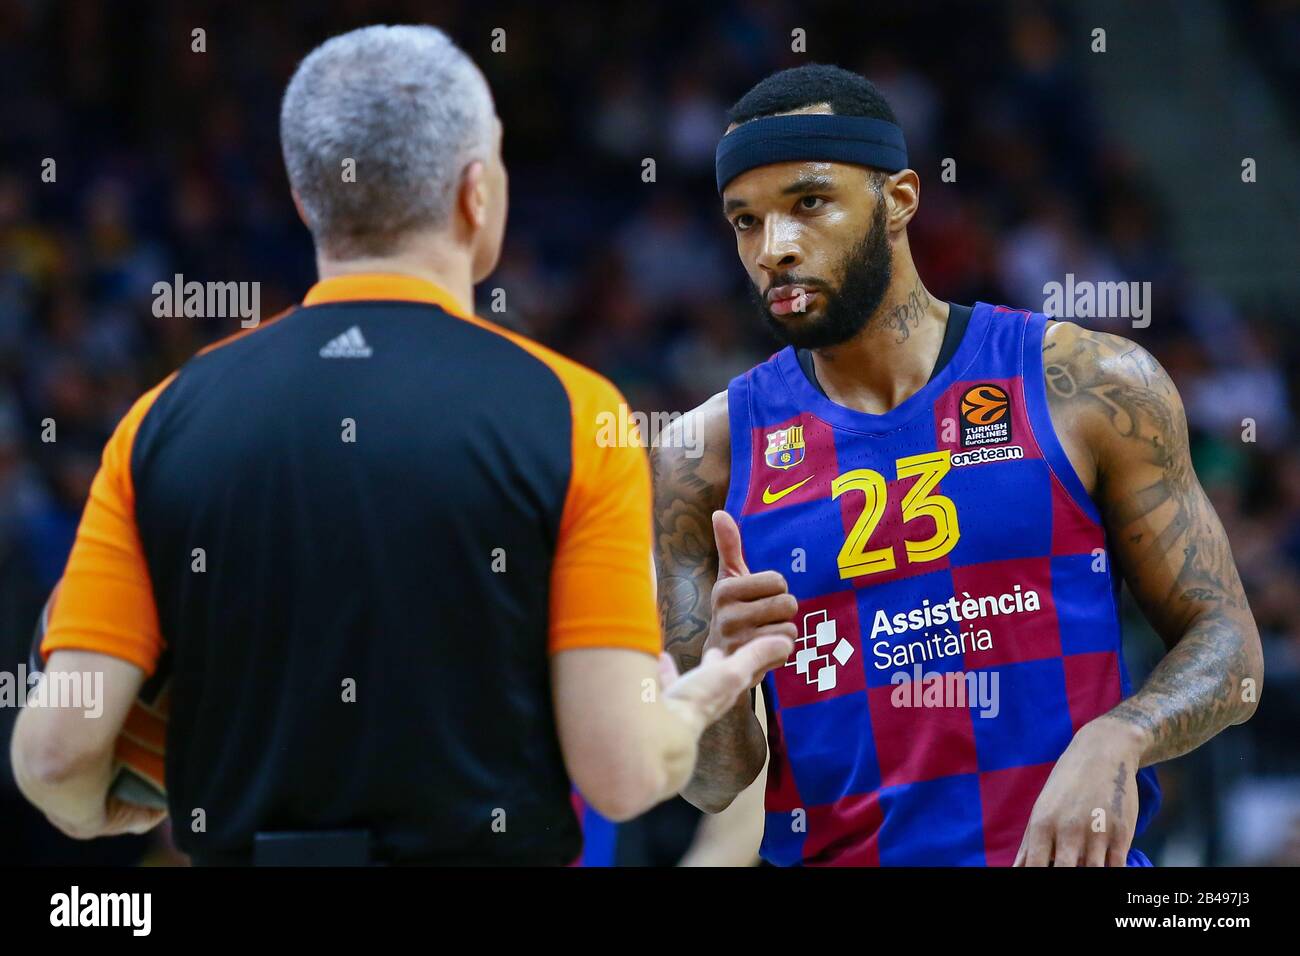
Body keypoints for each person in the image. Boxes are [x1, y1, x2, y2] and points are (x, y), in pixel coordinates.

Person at [10, 24, 790, 866]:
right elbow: (623, 772)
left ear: (309, 198)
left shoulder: (162, 418)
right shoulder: (573, 413)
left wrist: (110, 802)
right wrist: (707, 686)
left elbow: (54, 756)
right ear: (474, 193)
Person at [652, 64, 1263, 866]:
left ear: (900, 198)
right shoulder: (703, 454)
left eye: (809, 203)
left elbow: (1231, 648)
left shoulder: (1085, 385)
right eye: (745, 221)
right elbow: (713, 781)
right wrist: (723, 683)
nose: (776, 248)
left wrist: (1124, 734)